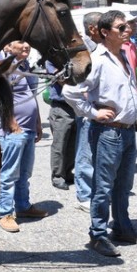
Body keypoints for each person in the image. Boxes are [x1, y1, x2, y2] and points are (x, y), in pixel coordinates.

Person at [64, 10, 137, 257]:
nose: (128, 31)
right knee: (103, 187)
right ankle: (98, 234)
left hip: (127, 131)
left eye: (127, 26)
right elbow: (71, 92)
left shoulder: (123, 54)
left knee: (123, 185)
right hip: (108, 132)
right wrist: (92, 113)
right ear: (104, 32)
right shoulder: (98, 59)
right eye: (121, 28)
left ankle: (122, 228)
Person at [0, 41, 48, 233]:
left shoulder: (25, 65)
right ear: (8, 46)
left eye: (28, 43)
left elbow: (31, 95)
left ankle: (23, 206)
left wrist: (38, 122)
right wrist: (10, 121)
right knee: (9, 174)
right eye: (20, 42)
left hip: (29, 127)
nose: (26, 46)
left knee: (25, 172)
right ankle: (5, 213)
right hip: (12, 130)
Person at [73, 12, 102, 212]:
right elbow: (73, 86)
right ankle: (84, 194)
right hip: (89, 111)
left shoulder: (102, 48)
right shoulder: (84, 49)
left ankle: (94, 189)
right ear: (93, 28)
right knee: (85, 152)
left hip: (102, 111)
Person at [45, 60, 76, 190]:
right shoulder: (51, 61)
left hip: (75, 106)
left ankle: (68, 172)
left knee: (72, 144)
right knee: (60, 143)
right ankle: (57, 176)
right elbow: (61, 79)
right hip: (61, 106)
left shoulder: (74, 58)